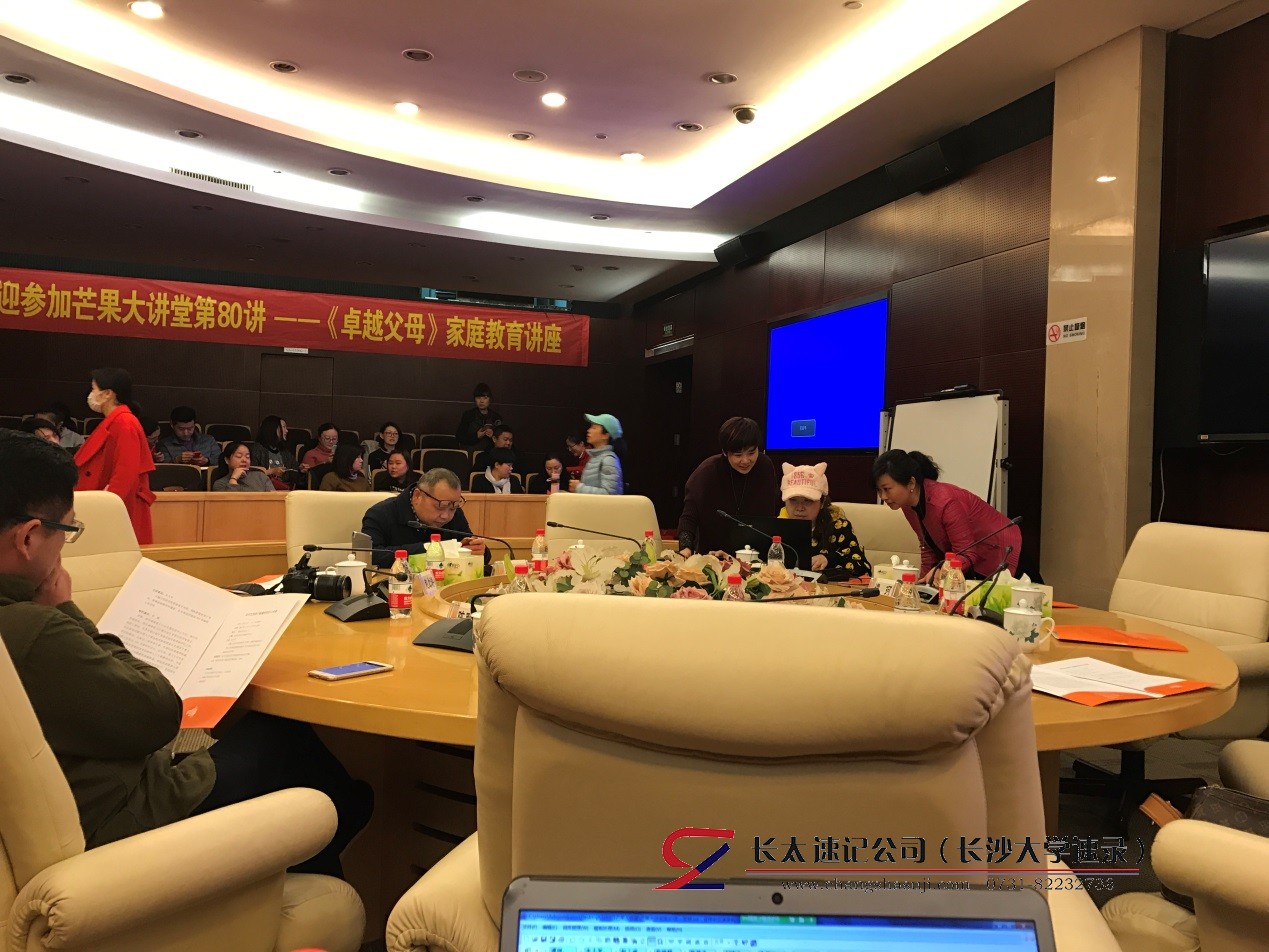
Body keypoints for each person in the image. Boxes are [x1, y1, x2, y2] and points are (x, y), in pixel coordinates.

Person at [0, 431, 372, 874]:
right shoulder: (36, 629)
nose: (65, 547)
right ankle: (343, 837)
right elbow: (159, 715)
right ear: (28, 538)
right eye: (68, 531)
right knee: (284, 737)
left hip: (81, 794)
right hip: (126, 816)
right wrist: (66, 608)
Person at [873, 449, 1021, 579]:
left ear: (911, 483)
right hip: (971, 563)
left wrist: (940, 570)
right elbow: (927, 548)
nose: (883, 496)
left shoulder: (945, 501)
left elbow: (967, 553)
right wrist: (921, 586)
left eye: (887, 489)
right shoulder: (907, 505)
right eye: (879, 490)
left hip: (1004, 554)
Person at [676, 417, 780, 556]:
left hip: (756, 556)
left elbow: (773, 512)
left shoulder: (765, 466)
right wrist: (686, 549)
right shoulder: (707, 472)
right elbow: (689, 517)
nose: (745, 460)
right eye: (738, 455)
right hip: (713, 557)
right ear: (725, 452)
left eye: (751, 453)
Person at [73, 368, 155, 545]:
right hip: (109, 503)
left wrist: (106, 508)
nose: (90, 394)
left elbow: (125, 473)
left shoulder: (124, 422)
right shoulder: (118, 420)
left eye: (93, 389)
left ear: (108, 393)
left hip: (117, 507)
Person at [361, 467, 488, 568]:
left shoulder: (455, 514)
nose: (446, 515)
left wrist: (480, 551)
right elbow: (371, 555)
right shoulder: (380, 514)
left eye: (453, 507)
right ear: (417, 496)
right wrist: (434, 549)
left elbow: (472, 546)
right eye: (440, 506)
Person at [778, 462, 870, 577]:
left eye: (808, 501)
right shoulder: (777, 528)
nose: (799, 508)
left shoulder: (838, 527)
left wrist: (828, 559)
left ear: (822, 502)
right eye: (793, 500)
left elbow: (864, 568)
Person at [570, 413, 624, 495]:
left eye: (594, 428)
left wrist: (579, 487)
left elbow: (609, 494)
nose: (588, 430)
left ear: (605, 435)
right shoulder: (595, 458)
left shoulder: (609, 460)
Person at [155, 405, 222, 467]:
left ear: (194, 425)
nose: (186, 433)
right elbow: (163, 467)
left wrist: (207, 461)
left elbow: (221, 461)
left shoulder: (209, 440)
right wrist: (177, 460)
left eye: (190, 428)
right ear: (172, 425)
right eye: (181, 429)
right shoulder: (164, 444)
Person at [249, 415, 299, 488]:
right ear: (273, 429)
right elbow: (252, 473)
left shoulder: (284, 450)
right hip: (264, 488)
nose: (287, 430)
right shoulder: (257, 449)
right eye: (284, 427)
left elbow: (293, 468)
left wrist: (300, 469)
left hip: (284, 488)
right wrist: (272, 471)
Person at [454, 383, 503, 449]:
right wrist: (476, 436)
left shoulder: (496, 417)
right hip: (471, 451)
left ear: (490, 400)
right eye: (478, 398)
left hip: (490, 452)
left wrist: (493, 436)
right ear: (475, 399)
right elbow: (460, 437)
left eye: (485, 398)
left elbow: (502, 439)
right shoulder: (468, 415)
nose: (481, 401)